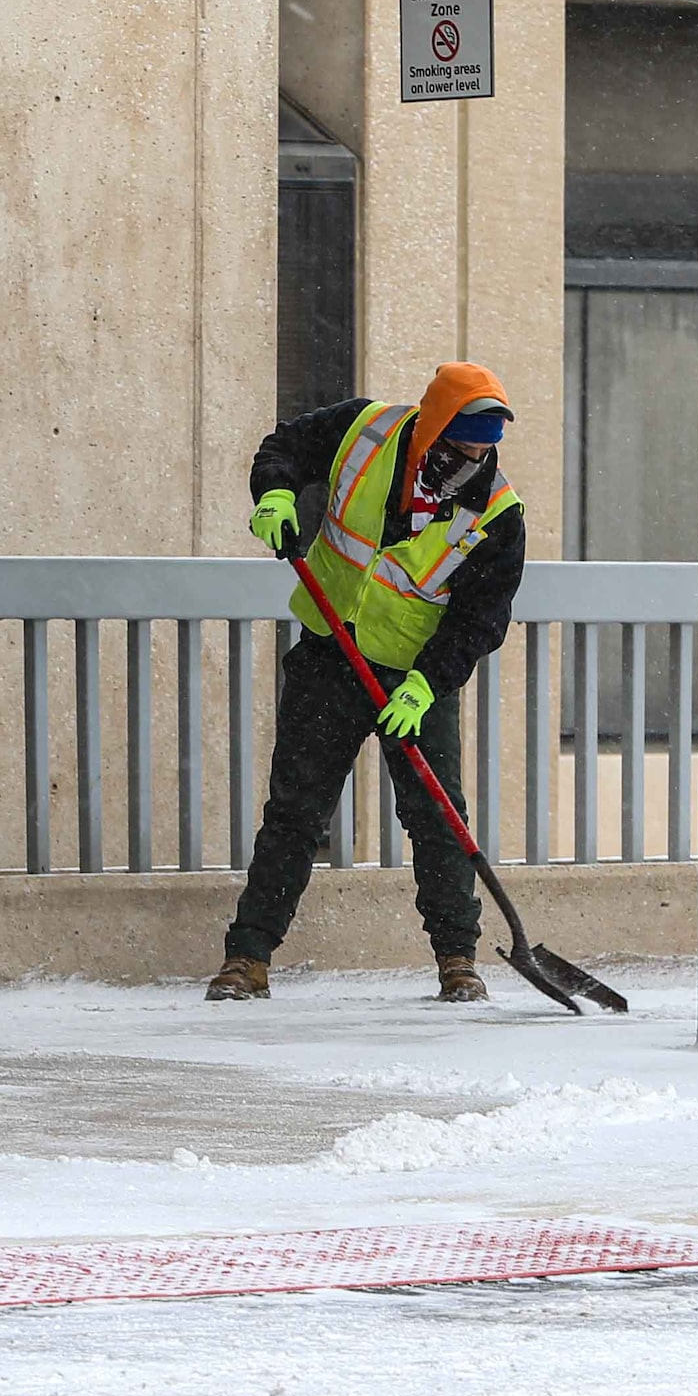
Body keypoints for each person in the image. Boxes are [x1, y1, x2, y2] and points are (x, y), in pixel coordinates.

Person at [207, 363, 525, 1005]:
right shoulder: (365, 430)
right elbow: (285, 448)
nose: (475, 456)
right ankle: (247, 958)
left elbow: (480, 618)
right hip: (330, 653)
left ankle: (458, 960)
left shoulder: (495, 513)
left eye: (486, 445)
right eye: (463, 441)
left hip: (412, 679)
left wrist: (426, 686)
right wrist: (273, 493)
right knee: (295, 812)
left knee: (437, 817)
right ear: (433, 426)